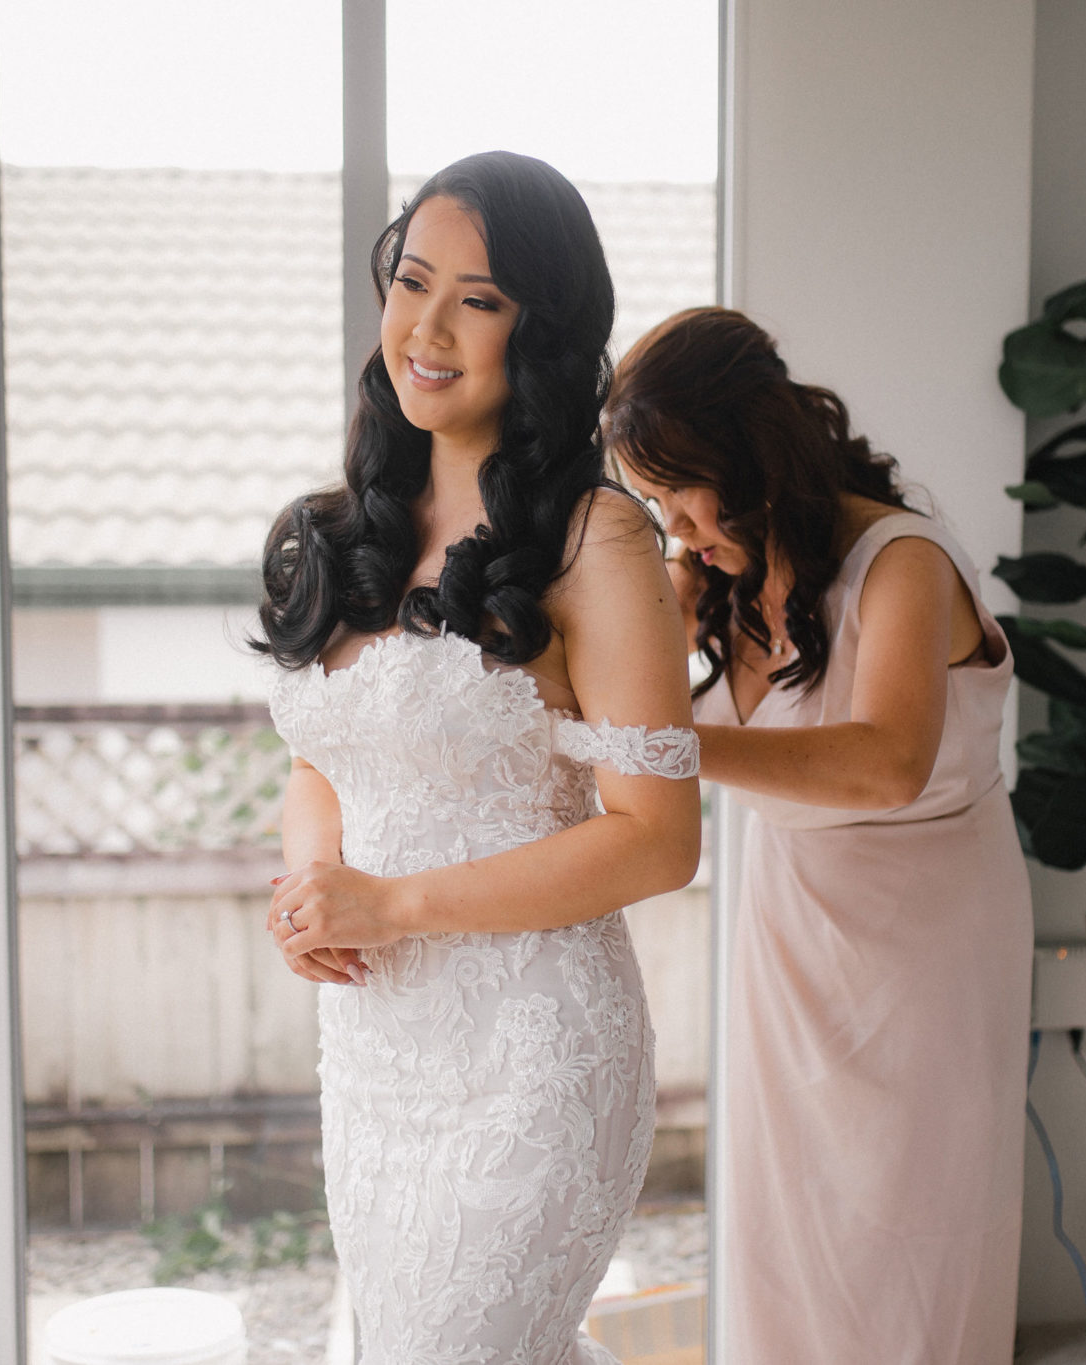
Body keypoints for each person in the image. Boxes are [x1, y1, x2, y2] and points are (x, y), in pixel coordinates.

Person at [252, 152, 703, 1364]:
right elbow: (320, 767)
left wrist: (392, 902)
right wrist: (313, 897)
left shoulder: (592, 538)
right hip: (375, 1060)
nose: (429, 327)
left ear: (539, 331)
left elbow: (658, 840)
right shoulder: (335, 533)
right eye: (412, 282)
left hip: (531, 1064)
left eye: (480, 299)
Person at [607, 307, 1033, 1365]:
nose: (674, 528)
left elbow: (883, 761)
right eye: (652, 506)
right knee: (784, 1243)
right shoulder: (731, 581)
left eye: (676, 497)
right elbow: (634, 702)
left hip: (920, 963)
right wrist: (674, 592)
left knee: (903, 1253)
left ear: (745, 455)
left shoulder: (903, 564)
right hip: (791, 940)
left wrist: (663, 745)